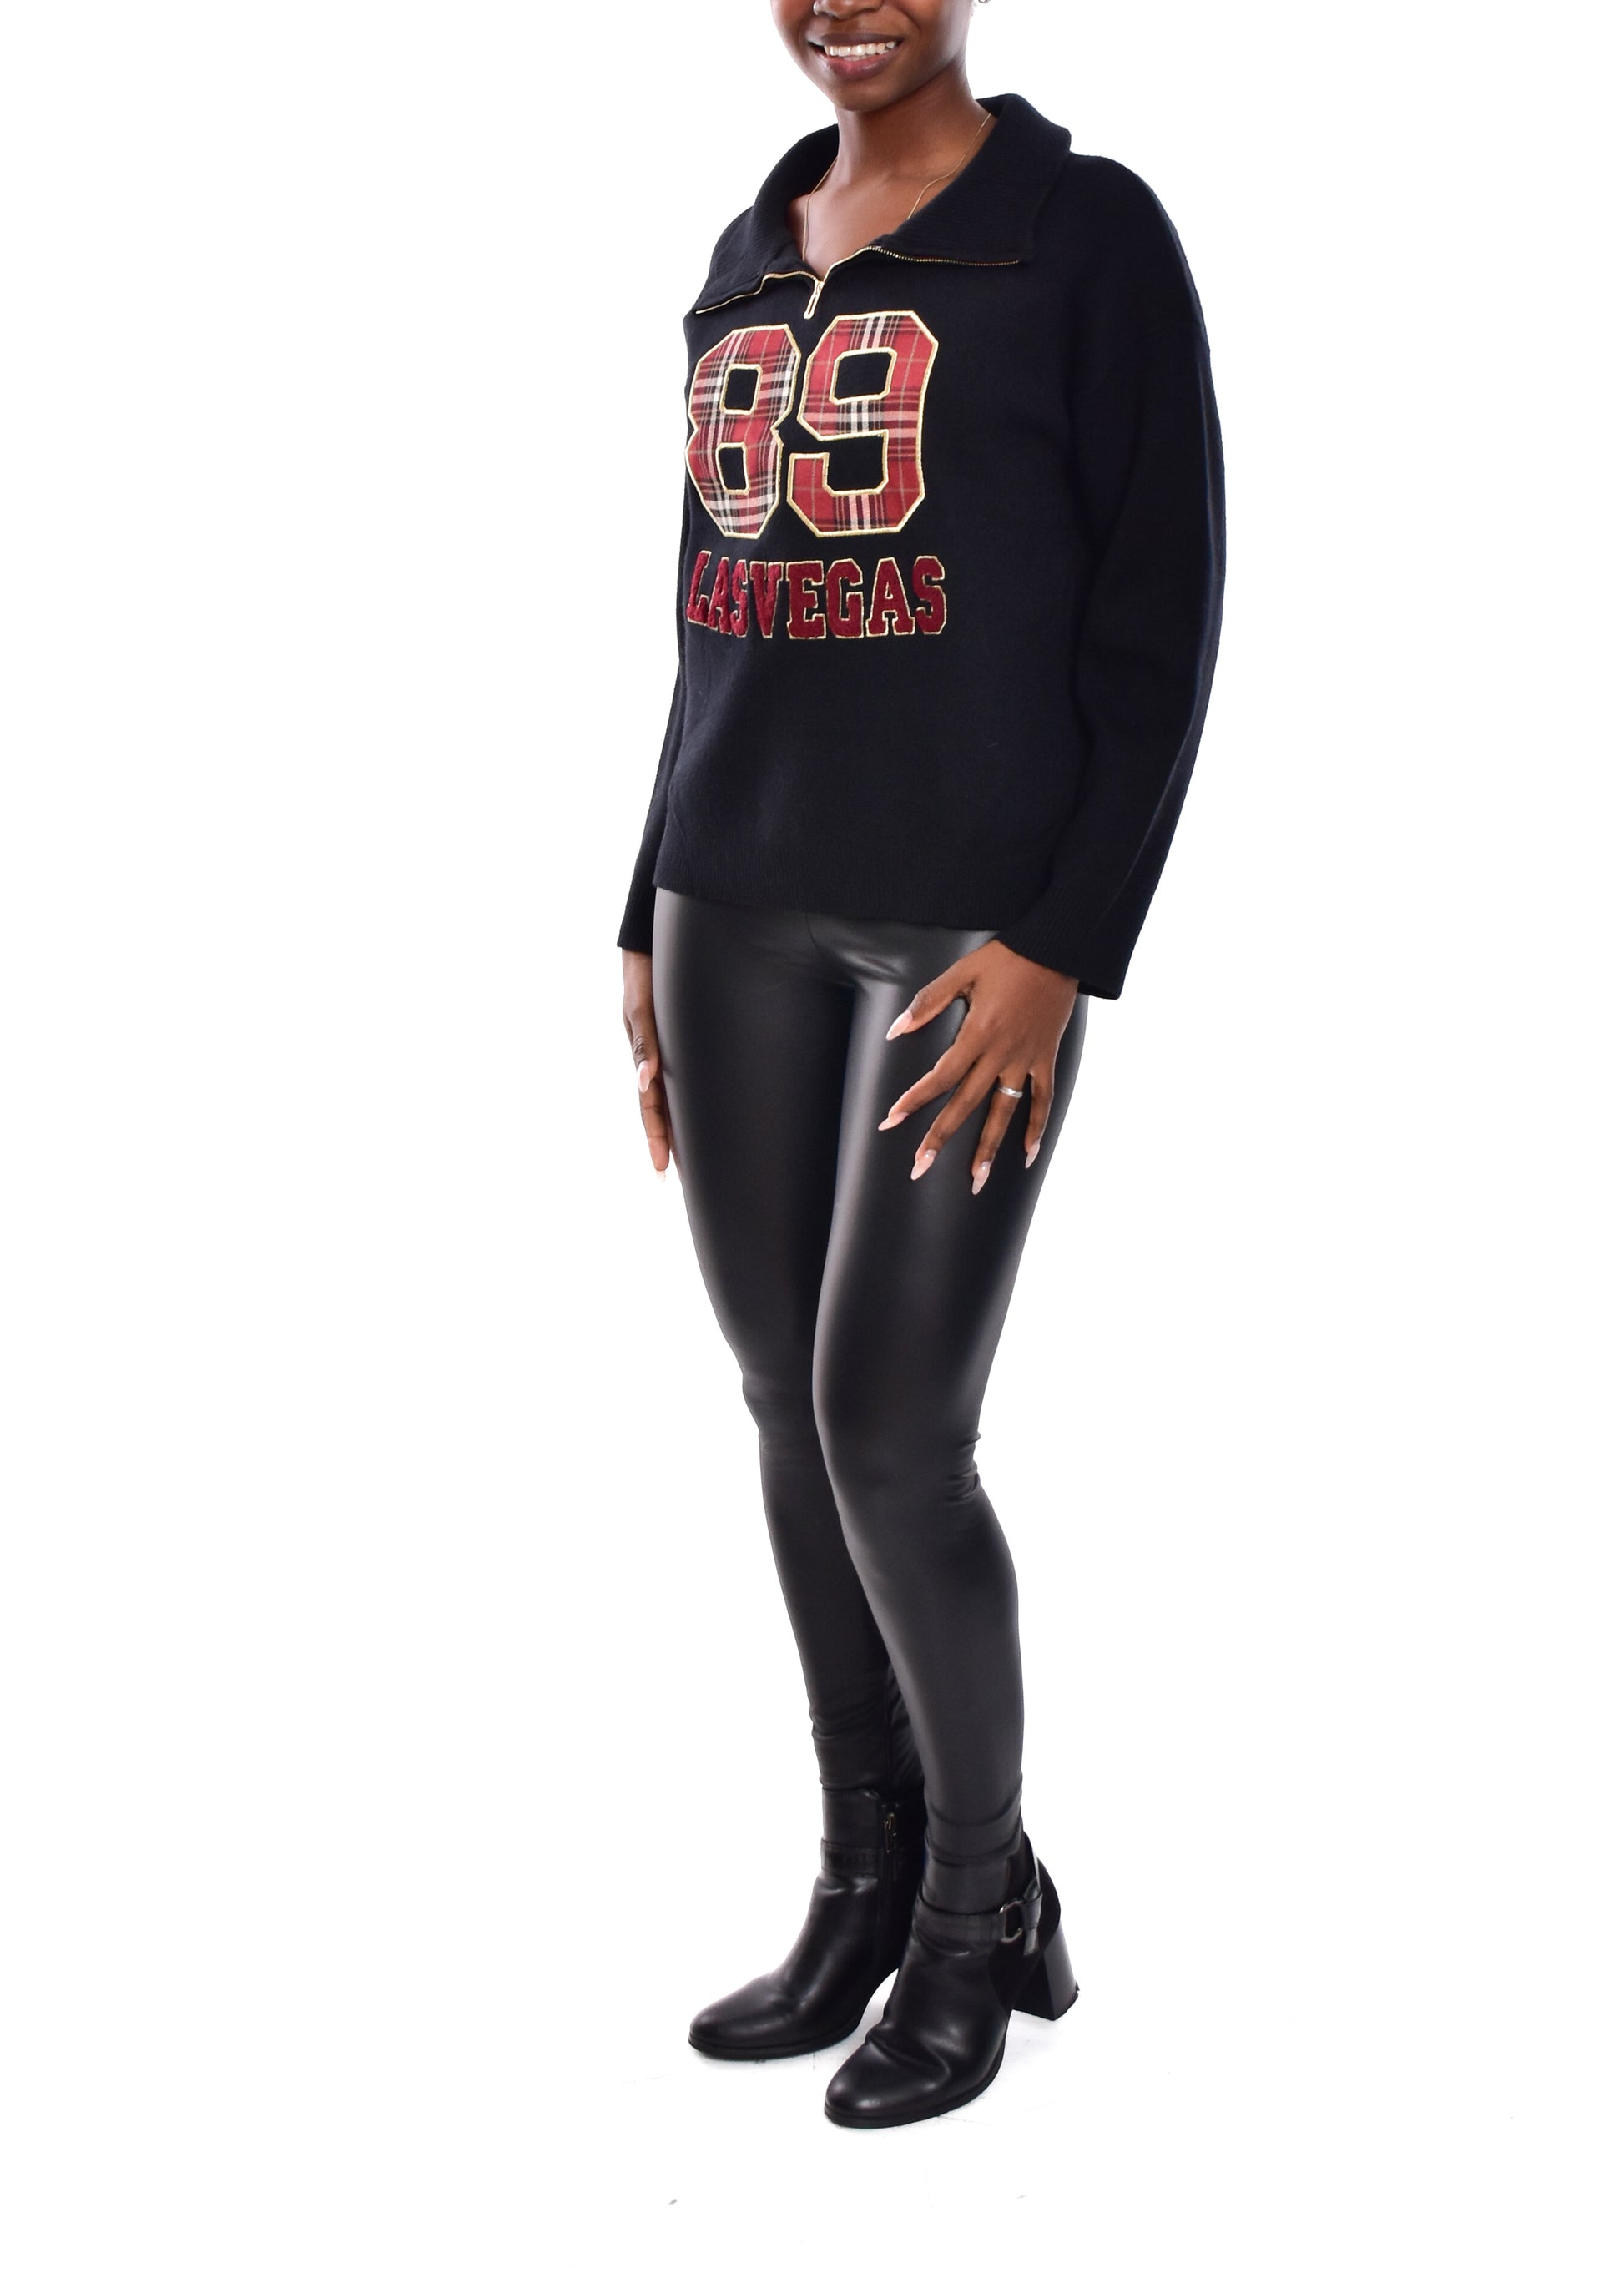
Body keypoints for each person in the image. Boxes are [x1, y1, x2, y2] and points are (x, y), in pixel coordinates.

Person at [617, 0, 1224, 2129]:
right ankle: (862, 1874)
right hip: (734, 906)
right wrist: (641, 902)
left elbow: (1163, 611)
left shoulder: (1085, 232)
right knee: (786, 1410)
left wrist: (1064, 944)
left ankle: (980, 1914)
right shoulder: (748, 248)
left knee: (891, 1430)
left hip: (969, 937)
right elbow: (713, 607)